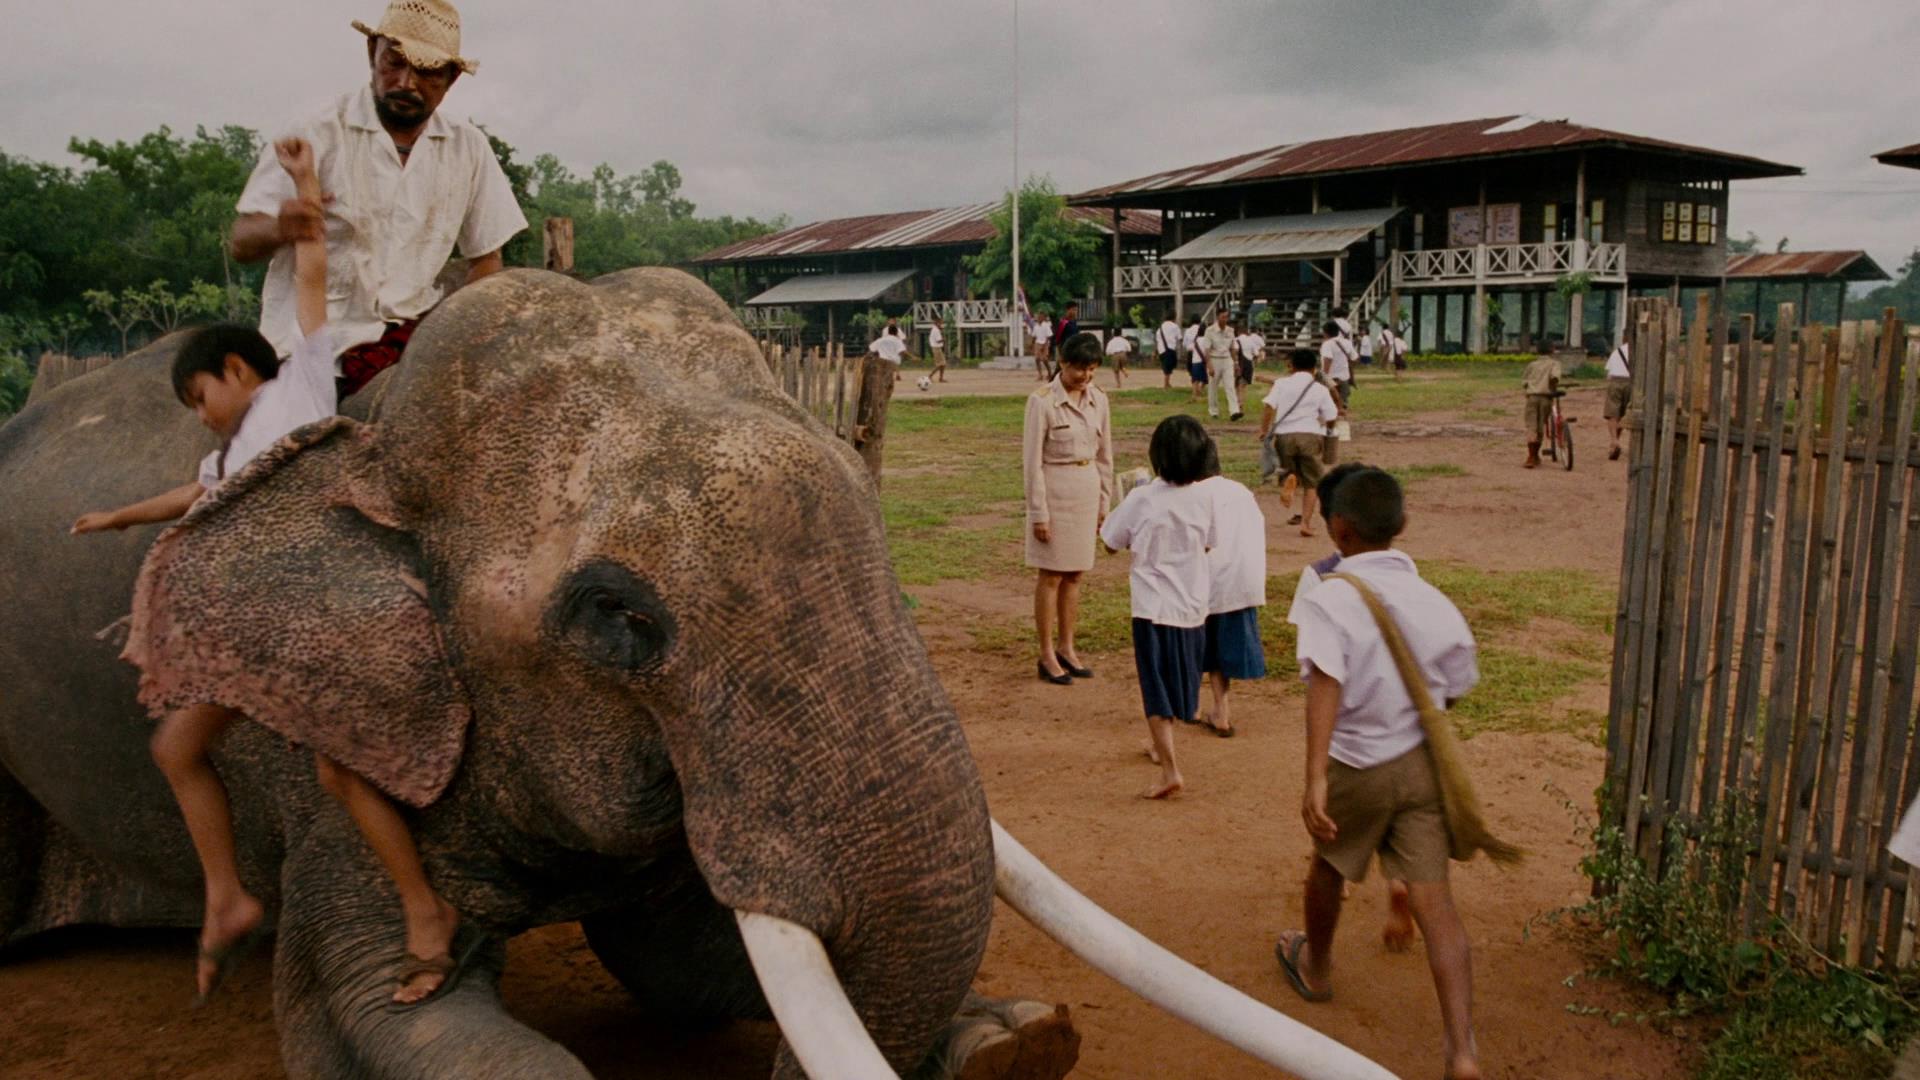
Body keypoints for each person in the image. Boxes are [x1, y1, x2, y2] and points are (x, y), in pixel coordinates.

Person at [74, 138, 469, 1008]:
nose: (200, 417)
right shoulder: (233, 455)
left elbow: (315, 269)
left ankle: (424, 913)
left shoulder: (299, 389)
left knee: (340, 772)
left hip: (327, 615)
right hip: (267, 630)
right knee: (176, 744)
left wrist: (302, 186)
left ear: (237, 370)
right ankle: (227, 894)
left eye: (199, 398)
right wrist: (116, 515)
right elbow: (195, 495)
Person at [1274, 468, 1484, 1080]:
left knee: (1326, 869)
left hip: (1357, 767)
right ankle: (1462, 1049)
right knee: (1437, 905)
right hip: (1422, 769)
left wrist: (1315, 777)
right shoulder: (1432, 598)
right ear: (1402, 526)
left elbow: (1324, 686)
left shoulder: (1330, 596)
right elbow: (1457, 685)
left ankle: (1315, 969)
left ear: (1338, 528)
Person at [231, 0, 527, 400]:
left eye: (427, 72)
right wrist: (283, 226)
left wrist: (460, 340)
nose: (406, 83)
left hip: (411, 347)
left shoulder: (468, 148)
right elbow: (241, 240)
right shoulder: (316, 131)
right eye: (394, 63)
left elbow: (488, 262)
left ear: (452, 78)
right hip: (312, 344)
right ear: (372, 53)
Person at [1286, 462, 1417, 954]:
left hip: (1346, 734)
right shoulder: (1404, 574)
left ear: (1334, 524)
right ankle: (1399, 887)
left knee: (1332, 838)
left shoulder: (1318, 578)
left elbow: (1316, 667)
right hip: (1399, 724)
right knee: (1398, 829)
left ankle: (1316, 960)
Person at [1100, 415, 1217, 799]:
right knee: (1181, 684)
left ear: (1157, 457)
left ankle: (1170, 769)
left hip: (1152, 607)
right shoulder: (1205, 498)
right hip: (1193, 605)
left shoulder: (1142, 497)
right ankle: (1161, 746)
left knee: (1155, 686)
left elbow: (1110, 541)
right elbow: (1210, 544)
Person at [1024, 332, 1115, 685]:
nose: (1085, 377)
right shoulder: (1042, 401)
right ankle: (1046, 652)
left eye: (1091, 369)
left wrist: (1105, 504)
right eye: (1079, 369)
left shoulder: (1100, 400)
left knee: (1076, 574)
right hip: (1055, 492)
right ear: (1062, 364)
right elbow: (1032, 462)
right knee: (1051, 575)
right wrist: (1038, 512)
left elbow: (1105, 456)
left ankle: (1067, 646)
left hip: (1087, 488)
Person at [1195, 446, 1266, 738]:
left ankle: (1199, 706)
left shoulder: (1195, 495)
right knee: (1219, 648)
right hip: (1243, 580)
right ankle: (1220, 709)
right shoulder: (1241, 491)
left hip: (1209, 581)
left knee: (1201, 647)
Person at [1258, 349, 1341, 537]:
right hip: (1310, 435)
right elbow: (1331, 415)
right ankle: (1305, 523)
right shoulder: (1319, 388)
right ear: (1314, 369)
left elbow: (1269, 406)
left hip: (1284, 436)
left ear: (1291, 366)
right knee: (1312, 483)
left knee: (1290, 470)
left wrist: (1264, 430)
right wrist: (1328, 430)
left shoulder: (1281, 384)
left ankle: (1290, 478)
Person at [1521, 351, 1563, 468]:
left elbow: (1525, 382)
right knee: (1540, 427)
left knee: (1531, 426)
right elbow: (1554, 378)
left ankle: (1531, 456)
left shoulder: (1532, 365)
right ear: (1551, 350)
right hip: (1546, 398)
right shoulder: (1554, 364)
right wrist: (1553, 389)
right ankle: (1534, 456)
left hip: (1532, 398)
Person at [1203, 309, 1243, 421]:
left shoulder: (1230, 330)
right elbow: (1206, 350)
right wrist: (1209, 365)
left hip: (1227, 360)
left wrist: (1236, 363)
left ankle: (1234, 411)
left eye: (1226, 317)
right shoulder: (1210, 330)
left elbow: (1233, 348)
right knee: (1213, 387)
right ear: (1217, 317)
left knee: (1230, 386)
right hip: (1214, 359)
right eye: (1223, 317)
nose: (1225, 319)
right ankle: (1213, 411)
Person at [1320, 320, 1358, 409]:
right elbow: (1355, 358)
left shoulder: (1327, 344)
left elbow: (1328, 359)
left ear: (1325, 333)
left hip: (1331, 380)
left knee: (1331, 405)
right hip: (1344, 378)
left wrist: (1324, 377)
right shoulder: (1347, 343)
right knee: (1341, 404)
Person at [1603, 339, 1631, 460]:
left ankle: (1614, 441)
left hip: (1615, 381)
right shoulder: (1639, 351)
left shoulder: (1617, 351)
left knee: (1612, 414)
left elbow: (1608, 373)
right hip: (1631, 383)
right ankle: (1617, 441)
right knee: (1625, 414)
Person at [1234, 324, 1266, 392]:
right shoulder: (1253, 339)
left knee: (1236, 381)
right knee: (1244, 383)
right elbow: (1261, 348)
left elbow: (1234, 351)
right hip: (1249, 359)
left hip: (1238, 361)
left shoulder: (1236, 339)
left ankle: (1236, 394)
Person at [1184, 315, 1207, 403]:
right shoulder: (1205, 338)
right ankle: (1198, 391)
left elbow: (1185, 344)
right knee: (1204, 377)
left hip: (1193, 356)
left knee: (1194, 375)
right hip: (1203, 358)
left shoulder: (1188, 331)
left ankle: (1195, 392)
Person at [1156, 314, 1182, 389]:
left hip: (1161, 350)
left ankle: (1167, 383)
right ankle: (1166, 384)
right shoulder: (1175, 326)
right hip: (1170, 349)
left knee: (1167, 367)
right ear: (1174, 318)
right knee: (1169, 367)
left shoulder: (1160, 328)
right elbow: (1179, 338)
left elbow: (1158, 340)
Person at [1031, 310, 1053, 382]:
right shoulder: (1036, 326)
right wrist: (1032, 344)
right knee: (1037, 359)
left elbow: (1048, 336)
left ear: (1043, 318)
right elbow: (1034, 336)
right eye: (1038, 316)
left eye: (1041, 317)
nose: (1039, 318)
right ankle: (1040, 375)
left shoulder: (1046, 325)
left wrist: (1045, 345)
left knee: (1044, 359)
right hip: (1038, 343)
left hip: (1045, 343)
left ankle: (1050, 373)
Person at [927, 319, 948, 383]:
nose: (941, 325)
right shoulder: (936, 330)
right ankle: (930, 376)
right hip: (936, 348)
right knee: (940, 364)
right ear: (937, 323)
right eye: (940, 323)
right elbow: (938, 340)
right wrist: (944, 339)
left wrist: (941, 330)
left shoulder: (935, 329)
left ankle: (941, 378)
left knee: (943, 364)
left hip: (936, 348)